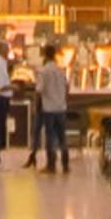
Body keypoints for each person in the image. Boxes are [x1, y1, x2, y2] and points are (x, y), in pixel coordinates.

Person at [33, 45, 75, 173]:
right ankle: (65, 164)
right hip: (61, 108)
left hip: (49, 109)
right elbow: (67, 88)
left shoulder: (43, 71)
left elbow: (39, 91)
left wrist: (36, 106)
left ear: (45, 55)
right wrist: (63, 100)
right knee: (62, 137)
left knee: (50, 137)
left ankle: (51, 165)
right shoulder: (61, 70)